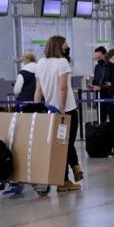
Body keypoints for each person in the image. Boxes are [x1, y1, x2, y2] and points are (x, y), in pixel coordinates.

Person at [35, 35, 82, 192]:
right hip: (66, 110)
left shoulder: (40, 63)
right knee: (66, 144)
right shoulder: (62, 62)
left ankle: (72, 171)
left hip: (50, 111)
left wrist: (36, 109)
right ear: (58, 47)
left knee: (60, 145)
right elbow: (63, 87)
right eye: (65, 46)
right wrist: (62, 108)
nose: (66, 48)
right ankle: (65, 179)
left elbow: (39, 90)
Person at [89, 46, 108, 121]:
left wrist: (101, 87)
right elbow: (95, 81)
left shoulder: (110, 66)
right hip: (99, 97)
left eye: (99, 58)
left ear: (105, 55)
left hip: (109, 97)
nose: (98, 60)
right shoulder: (97, 67)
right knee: (101, 120)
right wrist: (92, 86)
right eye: (96, 58)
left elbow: (112, 82)